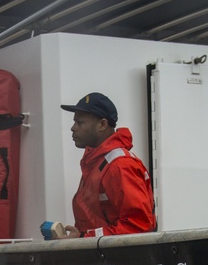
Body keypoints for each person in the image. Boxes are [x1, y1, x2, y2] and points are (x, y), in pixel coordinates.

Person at [47, 92, 156, 239]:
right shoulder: (96, 163)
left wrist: (83, 237)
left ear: (102, 125)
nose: (73, 128)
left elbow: (139, 226)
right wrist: (80, 235)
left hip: (118, 259)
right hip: (102, 257)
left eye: (80, 122)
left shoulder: (120, 166)